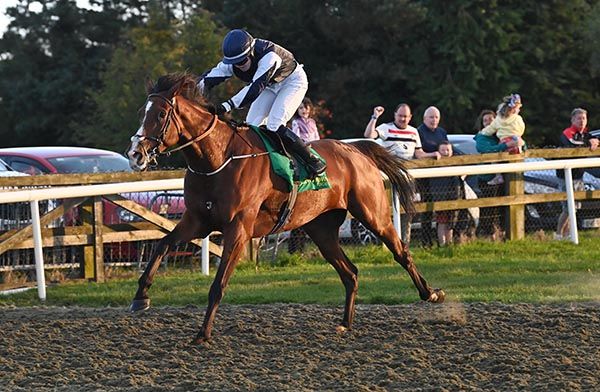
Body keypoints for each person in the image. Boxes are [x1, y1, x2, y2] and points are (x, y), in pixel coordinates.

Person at [197, 29, 325, 177]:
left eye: (242, 61)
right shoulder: (233, 61)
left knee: (274, 124)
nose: (238, 65)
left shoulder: (269, 57)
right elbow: (207, 79)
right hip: (270, 85)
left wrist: (226, 105)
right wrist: (190, 92)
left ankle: (312, 160)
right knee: (251, 125)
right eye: (234, 63)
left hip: (292, 81)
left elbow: (254, 88)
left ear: (251, 52)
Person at [364, 104, 439, 243]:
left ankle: (404, 243)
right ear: (395, 115)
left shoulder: (413, 132)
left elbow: (418, 153)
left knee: (406, 212)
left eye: (405, 116)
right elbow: (369, 135)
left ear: (410, 117)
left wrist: (433, 154)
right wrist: (375, 117)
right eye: (400, 116)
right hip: (388, 178)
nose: (403, 119)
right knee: (385, 211)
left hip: (406, 179)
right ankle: (385, 242)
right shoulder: (386, 128)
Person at [554, 108, 599, 240]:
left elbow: (594, 140)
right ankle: (558, 234)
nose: (582, 121)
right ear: (572, 120)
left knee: (574, 208)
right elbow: (573, 143)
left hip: (579, 175)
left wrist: (595, 141)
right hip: (565, 175)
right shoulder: (568, 133)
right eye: (579, 118)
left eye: (584, 118)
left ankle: (567, 234)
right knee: (568, 208)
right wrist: (589, 142)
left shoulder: (586, 134)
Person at [288, 98, 321, 253]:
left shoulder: (312, 123)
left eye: (305, 107)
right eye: (301, 108)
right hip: (303, 149)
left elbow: (317, 137)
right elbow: (296, 138)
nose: (303, 110)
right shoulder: (296, 123)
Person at [417, 106, 447, 247]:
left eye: (436, 117)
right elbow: (418, 153)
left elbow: (448, 149)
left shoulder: (442, 132)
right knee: (427, 210)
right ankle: (426, 241)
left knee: (442, 209)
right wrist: (433, 154)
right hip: (425, 177)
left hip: (441, 178)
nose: (434, 120)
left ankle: (442, 241)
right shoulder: (419, 132)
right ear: (424, 119)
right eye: (431, 117)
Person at [480, 94, 526, 185]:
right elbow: (522, 128)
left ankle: (498, 176)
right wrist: (517, 134)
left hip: (504, 141)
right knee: (517, 159)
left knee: (495, 157)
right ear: (514, 109)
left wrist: (482, 132)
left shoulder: (498, 120)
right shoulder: (518, 118)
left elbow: (489, 130)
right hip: (516, 140)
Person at [430, 141, 461, 246]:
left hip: (453, 197)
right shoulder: (435, 165)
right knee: (442, 222)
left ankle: (449, 243)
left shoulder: (455, 162)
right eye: (443, 150)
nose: (445, 152)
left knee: (450, 223)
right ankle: (442, 244)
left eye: (448, 150)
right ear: (438, 151)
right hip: (440, 197)